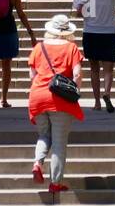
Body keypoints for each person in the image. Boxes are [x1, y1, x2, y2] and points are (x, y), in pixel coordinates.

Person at [28, 14, 84, 195]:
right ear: (68, 32)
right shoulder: (72, 48)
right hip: (61, 99)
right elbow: (77, 75)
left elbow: (32, 76)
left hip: (37, 96)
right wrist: (75, 91)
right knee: (59, 142)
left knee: (44, 134)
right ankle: (55, 182)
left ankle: (37, 163)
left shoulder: (39, 47)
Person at [73, 0, 115, 112]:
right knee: (108, 69)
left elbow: (78, 13)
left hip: (91, 33)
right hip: (110, 33)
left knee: (94, 69)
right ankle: (107, 93)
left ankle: (97, 103)